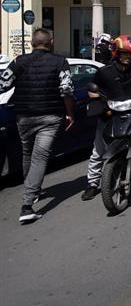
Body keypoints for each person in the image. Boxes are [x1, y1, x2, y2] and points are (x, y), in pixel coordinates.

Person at [0, 29, 75, 223]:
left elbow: (3, 84)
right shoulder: (60, 62)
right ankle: (27, 206)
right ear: (51, 42)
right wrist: (70, 114)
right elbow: (66, 90)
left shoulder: (18, 61)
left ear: (33, 43)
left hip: (24, 116)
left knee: (28, 153)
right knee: (40, 157)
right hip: (50, 116)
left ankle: (32, 189)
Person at [81, 35, 131, 201]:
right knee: (98, 149)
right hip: (110, 114)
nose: (128, 57)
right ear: (116, 53)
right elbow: (92, 90)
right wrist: (98, 100)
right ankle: (92, 183)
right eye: (124, 53)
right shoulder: (104, 72)